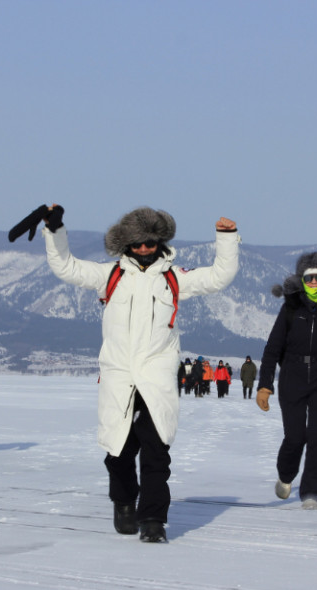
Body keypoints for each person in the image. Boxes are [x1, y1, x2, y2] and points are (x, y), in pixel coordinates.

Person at [40, 205, 239, 543]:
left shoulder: (175, 278)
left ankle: (153, 520)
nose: (144, 249)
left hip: (157, 378)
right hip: (118, 375)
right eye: (137, 243)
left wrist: (226, 238)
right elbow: (66, 267)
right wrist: (55, 230)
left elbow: (219, 276)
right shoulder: (110, 276)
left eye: (150, 242)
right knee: (118, 450)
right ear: (126, 244)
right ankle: (123, 501)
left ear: (159, 241)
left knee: (156, 450)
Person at [255, 252, 317, 510]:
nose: (313, 282)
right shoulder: (290, 309)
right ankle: (286, 475)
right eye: (308, 277)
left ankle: (311, 491)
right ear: (301, 280)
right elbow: (272, 349)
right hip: (292, 376)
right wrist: (264, 385)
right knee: (295, 437)